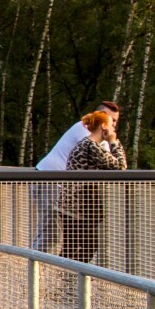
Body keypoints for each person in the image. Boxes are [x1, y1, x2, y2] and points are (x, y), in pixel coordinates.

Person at [31, 100, 122, 251]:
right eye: (111, 120)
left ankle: (50, 271)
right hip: (50, 182)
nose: (113, 125)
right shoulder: (86, 133)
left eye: (115, 121)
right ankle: (34, 272)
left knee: (61, 238)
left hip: (57, 186)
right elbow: (116, 164)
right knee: (50, 235)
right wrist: (113, 140)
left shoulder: (89, 133)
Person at [59, 109, 127, 265]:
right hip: (78, 208)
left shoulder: (85, 144)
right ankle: (72, 279)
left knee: (69, 249)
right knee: (89, 246)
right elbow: (121, 167)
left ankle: (65, 282)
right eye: (111, 126)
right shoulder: (92, 146)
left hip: (69, 206)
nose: (113, 130)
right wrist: (114, 142)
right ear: (104, 127)